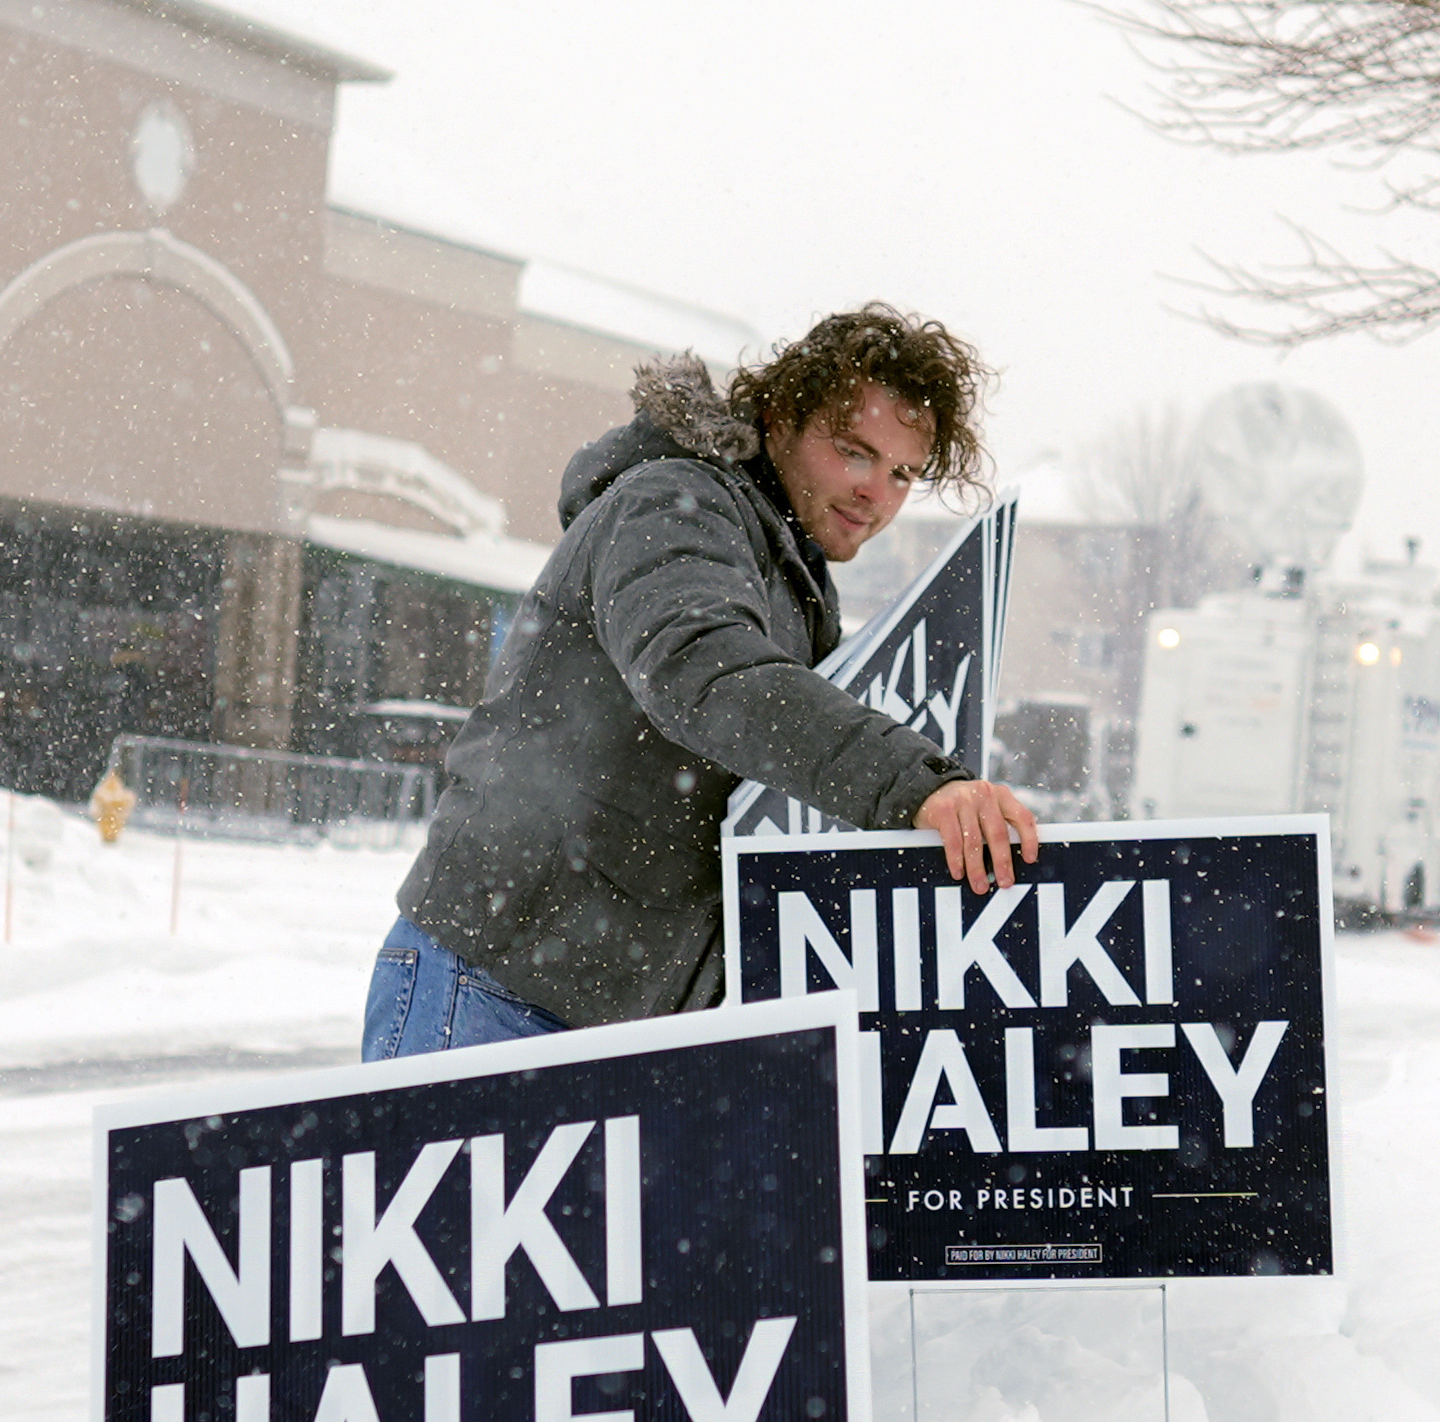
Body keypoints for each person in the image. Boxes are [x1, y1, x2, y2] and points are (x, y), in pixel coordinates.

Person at [365, 307, 1042, 1055]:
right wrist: (917, 785)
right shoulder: (672, 504)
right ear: (782, 413)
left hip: (618, 1024)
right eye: (854, 452)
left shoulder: (791, 577)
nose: (875, 493)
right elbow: (705, 668)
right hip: (497, 990)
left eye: (902, 474)